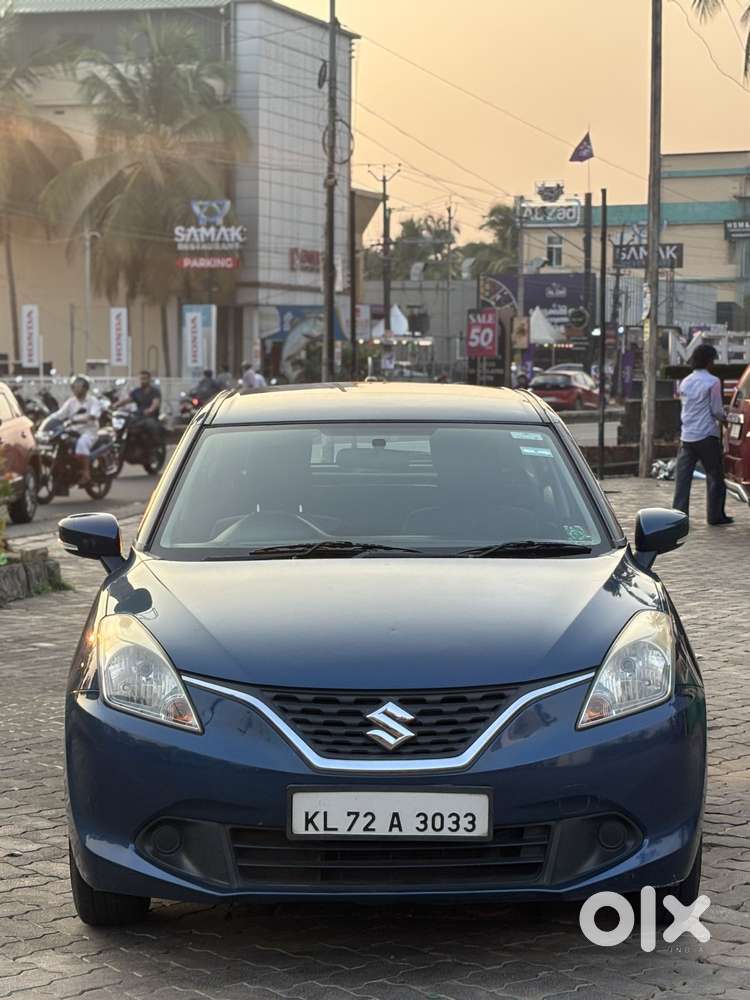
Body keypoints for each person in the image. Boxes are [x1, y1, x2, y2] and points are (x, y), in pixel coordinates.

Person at [672, 343, 733, 526]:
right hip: (707, 436)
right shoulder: (713, 381)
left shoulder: (685, 382)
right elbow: (716, 410)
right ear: (709, 361)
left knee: (683, 481)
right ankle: (715, 516)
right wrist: (726, 418)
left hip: (687, 436)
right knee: (715, 476)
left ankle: (679, 518)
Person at [51, 375, 102, 485]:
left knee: (82, 444)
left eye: (79, 386)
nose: (76, 389)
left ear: (85, 388)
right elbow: (59, 414)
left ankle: (86, 473)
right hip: (73, 431)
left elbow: (94, 415)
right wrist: (47, 420)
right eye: (74, 386)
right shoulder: (71, 402)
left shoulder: (93, 401)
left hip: (89, 431)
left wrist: (80, 419)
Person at [126, 370, 163, 448]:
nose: (142, 381)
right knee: (126, 423)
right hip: (138, 416)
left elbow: (156, 403)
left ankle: (155, 447)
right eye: (141, 378)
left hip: (151, 416)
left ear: (149, 379)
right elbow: (127, 400)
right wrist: (114, 405)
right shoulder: (136, 391)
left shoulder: (154, 391)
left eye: (144, 378)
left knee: (150, 424)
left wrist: (150, 410)